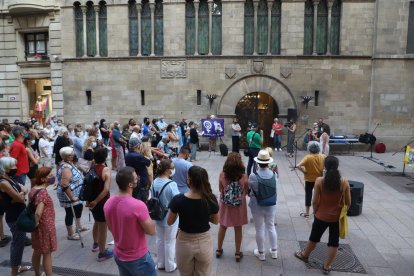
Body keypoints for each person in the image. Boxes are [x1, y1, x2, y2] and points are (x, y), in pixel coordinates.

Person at [294, 156, 351, 275]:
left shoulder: (320, 181)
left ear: (324, 166)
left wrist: (315, 211)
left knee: (314, 237)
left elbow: (314, 201)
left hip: (321, 216)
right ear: (337, 166)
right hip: (336, 218)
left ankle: (305, 255)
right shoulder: (344, 181)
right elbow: (348, 203)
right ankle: (326, 266)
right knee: (334, 242)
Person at [104, 166, 156, 276]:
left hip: (119, 254)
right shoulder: (138, 205)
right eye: (135, 177)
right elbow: (151, 231)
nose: (138, 178)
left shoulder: (108, 203)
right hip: (138, 258)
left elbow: (110, 227)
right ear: (130, 185)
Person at [167, 166, 219, 276]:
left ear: (189, 181)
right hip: (204, 240)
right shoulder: (211, 199)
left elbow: (169, 221)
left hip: (184, 240)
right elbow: (215, 221)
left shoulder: (178, 199)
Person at [0, 157, 31, 276]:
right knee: (17, 244)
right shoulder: (3, 182)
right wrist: (22, 194)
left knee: (19, 243)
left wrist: (22, 193)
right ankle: (14, 271)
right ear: (5, 169)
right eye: (12, 166)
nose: (15, 168)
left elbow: (24, 189)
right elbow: (19, 197)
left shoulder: (10, 178)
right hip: (14, 217)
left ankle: (17, 266)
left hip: (19, 213)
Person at [216, 153, 248, 262]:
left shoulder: (222, 174)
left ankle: (219, 249)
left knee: (223, 226)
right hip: (239, 205)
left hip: (225, 205)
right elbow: (246, 191)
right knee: (238, 228)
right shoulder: (243, 176)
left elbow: (221, 190)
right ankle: (238, 253)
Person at [248, 150, 278, 261]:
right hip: (271, 204)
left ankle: (261, 253)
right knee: (271, 226)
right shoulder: (273, 174)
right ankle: (274, 251)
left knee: (259, 229)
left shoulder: (253, 176)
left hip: (257, 206)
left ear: (258, 163)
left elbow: (249, 189)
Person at [152, 159, 180, 272]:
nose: (173, 170)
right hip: (170, 216)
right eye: (172, 168)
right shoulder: (171, 184)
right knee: (170, 241)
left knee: (159, 239)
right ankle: (169, 265)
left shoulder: (155, 181)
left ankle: (160, 263)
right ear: (168, 170)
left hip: (157, 215)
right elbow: (177, 200)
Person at [30, 167, 57, 276]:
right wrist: (37, 222)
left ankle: (37, 273)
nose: (52, 177)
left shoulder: (34, 189)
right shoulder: (43, 193)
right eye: (50, 175)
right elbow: (38, 212)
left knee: (37, 250)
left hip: (38, 227)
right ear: (43, 179)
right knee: (47, 253)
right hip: (45, 226)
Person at [56, 147, 88, 240]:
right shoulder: (66, 167)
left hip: (76, 192)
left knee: (79, 208)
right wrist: (72, 197)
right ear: (67, 156)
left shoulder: (69, 163)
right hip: (69, 194)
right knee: (70, 212)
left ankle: (79, 227)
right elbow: (64, 184)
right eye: (71, 154)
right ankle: (70, 234)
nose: (73, 155)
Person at [88, 148, 113, 261]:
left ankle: (95, 244)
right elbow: (106, 190)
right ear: (105, 157)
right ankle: (102, 253)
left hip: (92, 201)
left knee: (97, 222)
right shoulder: (105, 169)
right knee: (103, 228)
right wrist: (96, 201)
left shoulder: (91, 167)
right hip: (101, 202)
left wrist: (91, 201)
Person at [296, 142, 325, 218]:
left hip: (309, 180)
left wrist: (304, 172)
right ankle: (317, 211)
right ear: (318, 149)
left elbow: (298, 166)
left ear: (309, 149)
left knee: (308, 195)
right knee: (319, 195)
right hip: (320, 179)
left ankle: (307, 212)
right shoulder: (323, 156)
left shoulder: (308, 157)